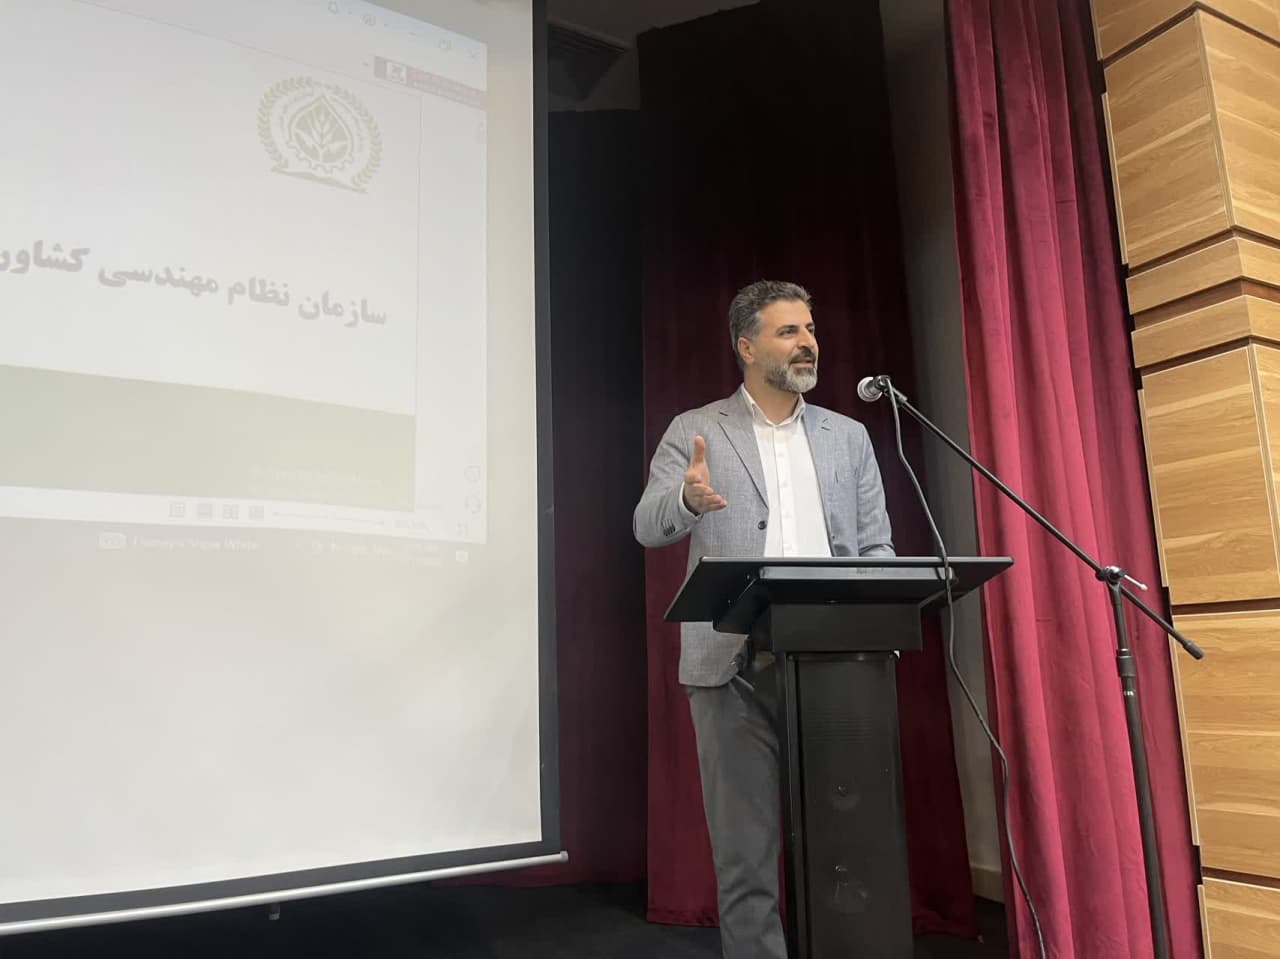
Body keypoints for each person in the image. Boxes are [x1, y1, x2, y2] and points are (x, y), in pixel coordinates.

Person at [632, 280, 895, 959]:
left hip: (837, 665)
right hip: (735, 668)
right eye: (788, 331)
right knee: (745, 855)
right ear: (746, 347)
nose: (808, 342)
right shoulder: (697, 429)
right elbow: (647, 524)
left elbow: (877, 548)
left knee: (847, 849)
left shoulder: (848, 437)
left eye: (810, 329)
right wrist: (687, 501)